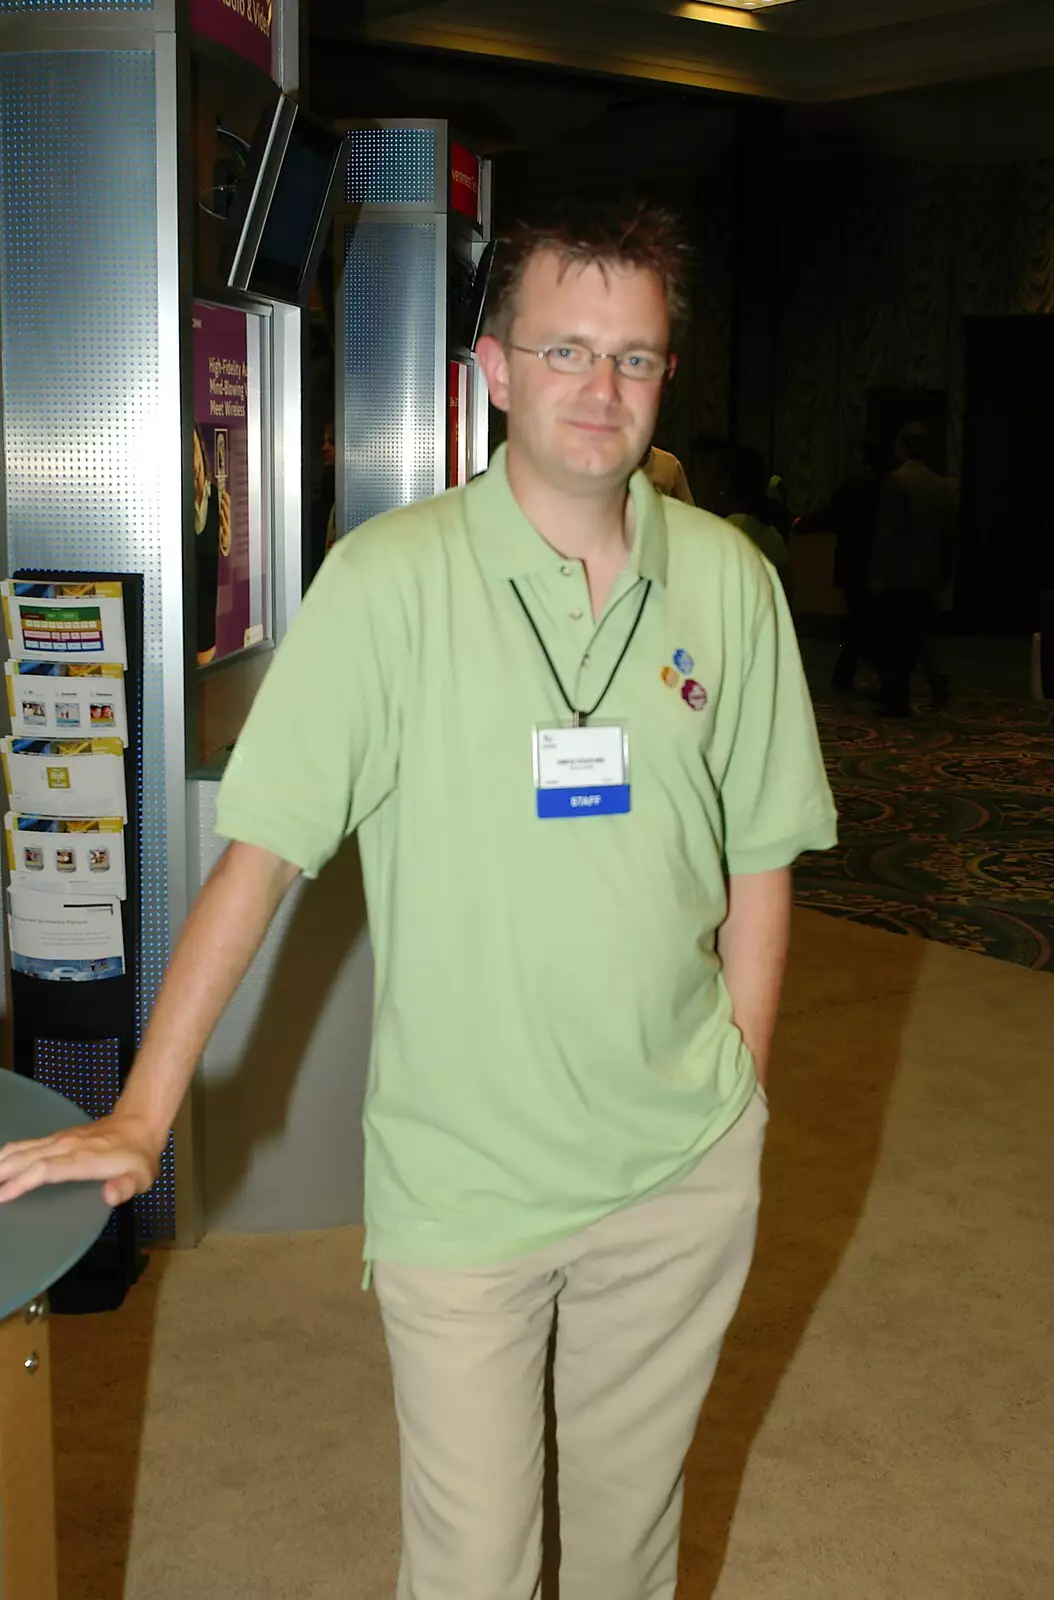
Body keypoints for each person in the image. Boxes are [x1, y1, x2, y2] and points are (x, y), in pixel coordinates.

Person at [0, 204, 837, 1600]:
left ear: (664, 376)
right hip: (465, 1182)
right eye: (565, 349)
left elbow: (761, 855)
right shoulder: (387, 583)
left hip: (678, 1165)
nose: (600, 389)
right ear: (495, 369)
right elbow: (256, 861)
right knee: (472, 1566)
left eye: (634, 359)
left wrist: (739, 1089)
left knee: (631, 1544)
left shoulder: (730, 582)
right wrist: (144, 1109)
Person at [870, 421, 958, 715]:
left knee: (896, 638)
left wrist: (878, 573)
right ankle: (937, 682)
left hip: (900, 574)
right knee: (924, 632)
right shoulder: (942, 485)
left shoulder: (896, 481)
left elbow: (888, 533)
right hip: (930, 573)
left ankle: (898, 699)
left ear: (903, 447)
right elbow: (949, 535)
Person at [797, 434, 886, 692]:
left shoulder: (854, 486)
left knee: (859, 620)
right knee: (863, 619)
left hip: (853, 557)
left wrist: (802, 525)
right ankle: (847, 673)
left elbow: (831, 514)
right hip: (878, 558)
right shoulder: (885, 485)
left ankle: (861, 673)